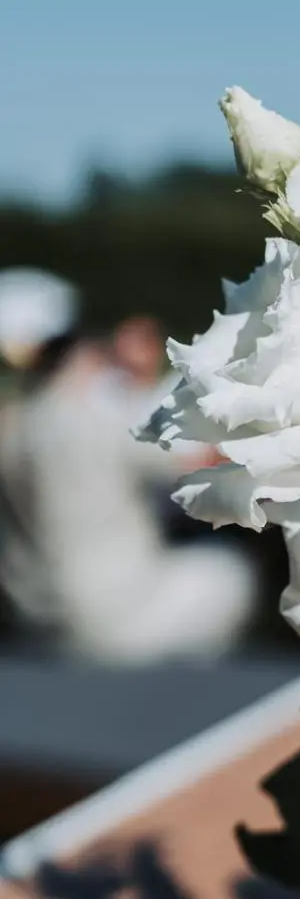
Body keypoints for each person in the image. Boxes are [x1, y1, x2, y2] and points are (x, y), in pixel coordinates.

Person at [0, 275, 256, 663]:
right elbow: (202, 460)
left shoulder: (13, 422)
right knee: (229, 573)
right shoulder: (95, 414)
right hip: (108, 624)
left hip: (32, 620)